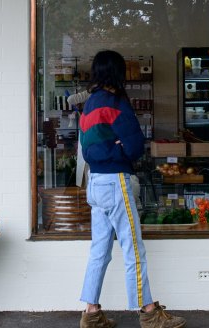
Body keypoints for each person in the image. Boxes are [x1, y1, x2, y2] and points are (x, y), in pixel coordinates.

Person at [79, 50, 186, 328]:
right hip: (116, 182)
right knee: (134, 248)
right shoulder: (117, 103)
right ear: (118, 72)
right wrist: (120, 148)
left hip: (96, 183)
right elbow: (136, 146)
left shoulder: (89, 104)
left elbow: (88, 148)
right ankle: (149, 313)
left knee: (99, 250)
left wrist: (112, 147)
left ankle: (91, 314)